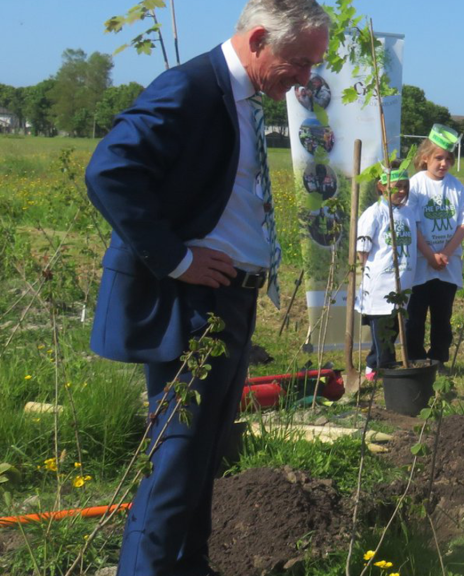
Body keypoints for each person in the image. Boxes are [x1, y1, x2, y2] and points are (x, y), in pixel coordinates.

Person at [84, 1, 329, 574]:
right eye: (298, 62)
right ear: (260, 39)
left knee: (204, 454)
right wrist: (175, 258)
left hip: (229, 300)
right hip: (193, 303)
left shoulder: (241, 98)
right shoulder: (191, 88)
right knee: (176, 459)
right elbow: (109, 171)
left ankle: (187, 564)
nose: (305, 77)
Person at [407, 124, 464, 367]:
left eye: (448, 159)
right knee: (414, 315)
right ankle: (414, 358)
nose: (444, 163)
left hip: (447, 265)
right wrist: (429, 255)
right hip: (420, 264)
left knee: (442, 316)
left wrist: (445, 253)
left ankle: (438, 358)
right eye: (438, 158)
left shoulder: (456, 187)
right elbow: (411, 224)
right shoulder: (415, 186)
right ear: (425, 158)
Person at [355, 165, 418, 379]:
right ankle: (379, 368)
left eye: (404, 187)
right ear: (382, 187)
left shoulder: (408, 213)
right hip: (382, 286)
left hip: (403, 285)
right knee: (382, 332)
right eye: (396, 187)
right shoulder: (374, 214)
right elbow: (362, 251)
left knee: (393, 329)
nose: (401, 191)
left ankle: (379, 367)